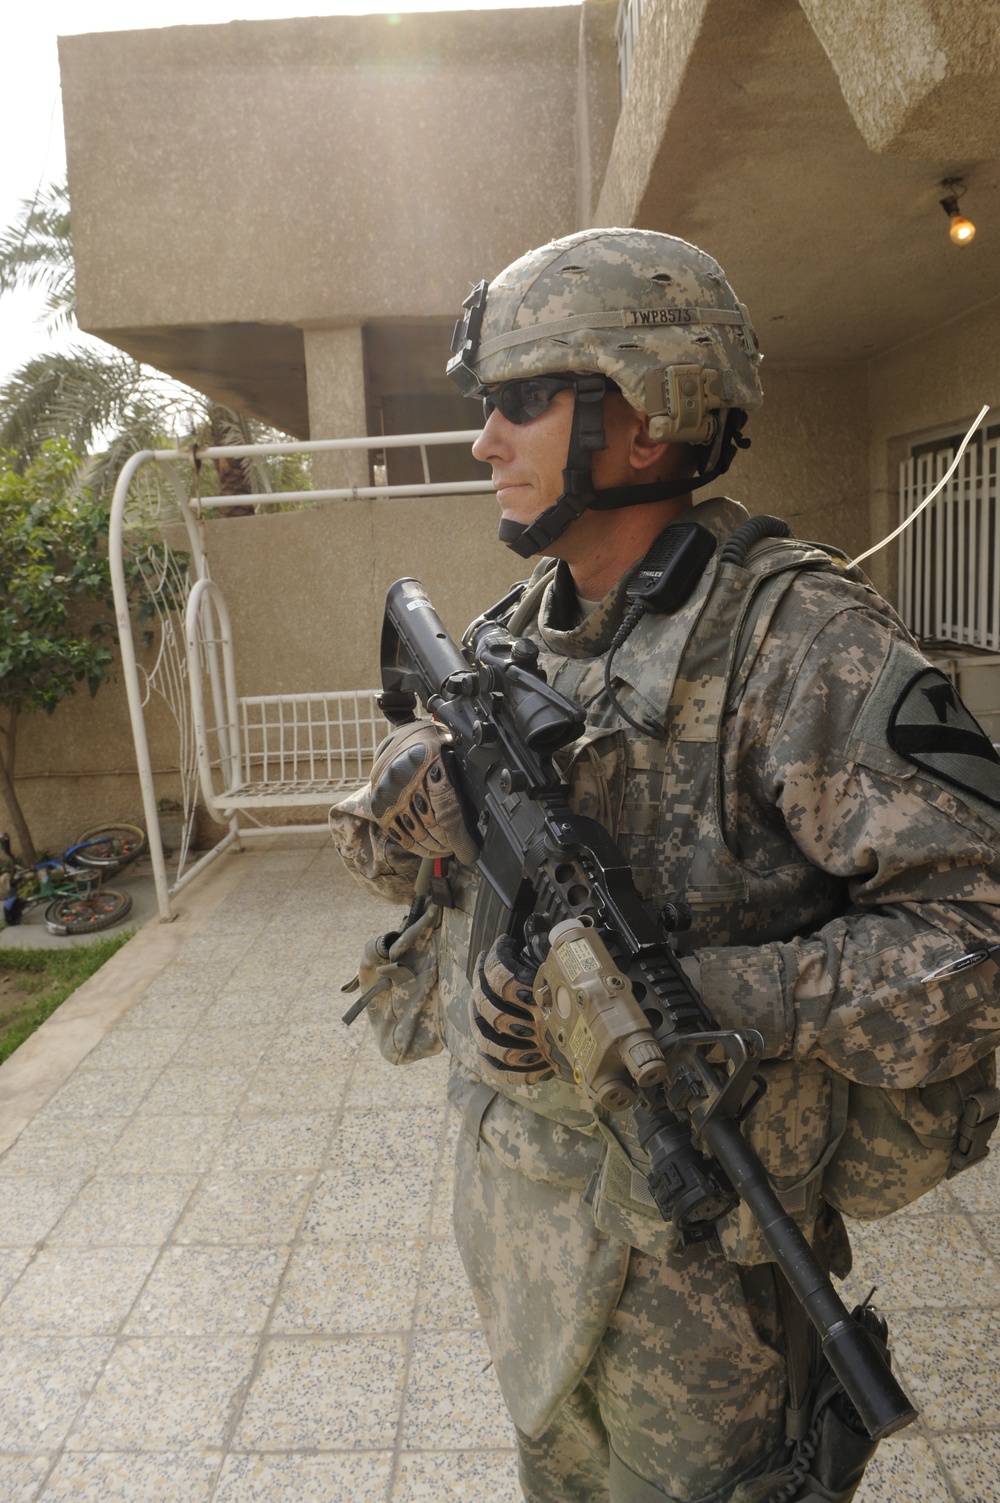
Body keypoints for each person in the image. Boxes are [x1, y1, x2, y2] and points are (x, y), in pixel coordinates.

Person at [330, 228, 1000, 1503]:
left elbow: (982, 921)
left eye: (523, 402)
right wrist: (408, 801)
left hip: (700, 1296)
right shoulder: (520, 633)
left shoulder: (802, 649)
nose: (487, 442)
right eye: (490, 406)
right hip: (531, 1244)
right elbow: (384, 863)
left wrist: (703, 1001)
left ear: (648, 418)